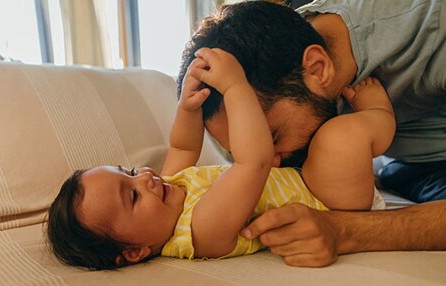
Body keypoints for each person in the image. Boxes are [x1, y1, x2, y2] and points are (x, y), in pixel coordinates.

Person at [46, 47, 394, 270]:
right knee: (339, 137)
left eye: (132, 172)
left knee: (321, 136)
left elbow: (183, 148)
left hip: (310, 179)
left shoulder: (170, 189)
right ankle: (379, 112)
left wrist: (186, 105)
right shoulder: (200, 232)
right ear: (136, 250)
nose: (146, 179)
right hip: (331, 203)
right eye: (133, 195)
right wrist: (235, 87)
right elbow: (251, 162)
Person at [176, 0, 446, 267]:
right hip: (406, 169)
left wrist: (346, 230)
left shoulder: (432, 31)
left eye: (273, 137)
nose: (270, 163)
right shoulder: (257, 83)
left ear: (317, 68)